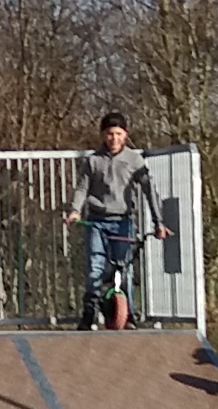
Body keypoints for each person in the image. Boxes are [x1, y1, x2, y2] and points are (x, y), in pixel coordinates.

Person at [65, 115, 163, 329]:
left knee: (124, 269)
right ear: (102, 135)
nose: (114, 138)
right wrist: (75, 211)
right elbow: (82, 188)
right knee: (95, 268)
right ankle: (89, 313)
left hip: (123, 221)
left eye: (118, 134)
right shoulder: (93, 160)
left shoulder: (134, 161)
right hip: (97, 221)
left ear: (126, 135)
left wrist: (159, 222)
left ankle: (128, 315)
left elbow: (149, 190)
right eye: (109, 134)